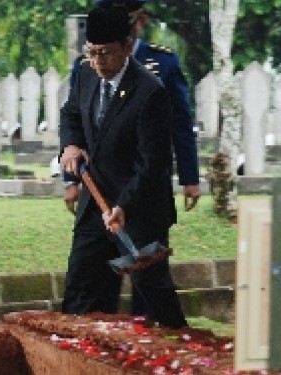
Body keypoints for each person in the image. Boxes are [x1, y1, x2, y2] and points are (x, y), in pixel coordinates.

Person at [59, 6, 188, 328]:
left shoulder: (150, 93)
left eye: (106, 53)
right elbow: (71, 113)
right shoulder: (86, 74)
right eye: (92, 52)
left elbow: (153, 165)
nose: (99, 62)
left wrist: (123, 206)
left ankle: (187, 350)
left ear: (127, 47)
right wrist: (71, 144)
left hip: (139, 208)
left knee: (153, 293)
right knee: (81, 288)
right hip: (94, 204)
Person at [64, 0, 200, 213]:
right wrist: (71, 180)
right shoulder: (86, 67)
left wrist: (190, 177)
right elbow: (75, 119)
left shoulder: (164, 64)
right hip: (98, 184)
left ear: (141, 21)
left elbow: (181, 123)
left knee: (147, 246)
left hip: (147, 183)